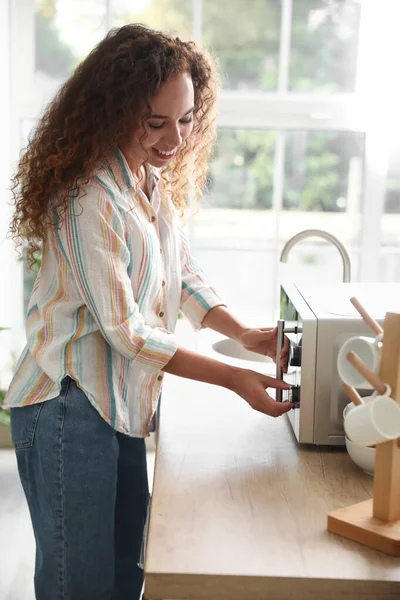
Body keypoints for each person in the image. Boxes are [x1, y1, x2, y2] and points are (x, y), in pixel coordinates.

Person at [3, 24, 293, 600]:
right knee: (78, 588)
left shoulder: (146, 180)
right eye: (154, 121)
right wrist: (234, 378)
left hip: (122, 406)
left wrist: (245, 334)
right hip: (67, 406)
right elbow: (129, 332)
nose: (174, 139)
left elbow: (181, 273)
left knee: (124, 579)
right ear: (110, 111)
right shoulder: (88, 198)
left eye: (185, 119)